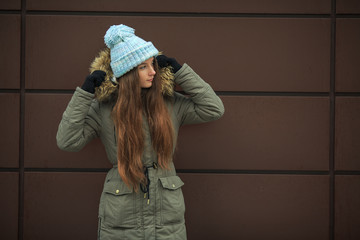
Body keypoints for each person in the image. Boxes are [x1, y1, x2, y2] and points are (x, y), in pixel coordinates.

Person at [56, 24, 224, 240]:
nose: (153, 71)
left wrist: (181, 71)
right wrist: (85, 94)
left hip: (166, 217)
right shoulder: (104, 108)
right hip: (121, 215)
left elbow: (214, 109)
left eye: (153, 64)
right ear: (127, 71)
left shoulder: (170, 104)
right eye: (143, 66)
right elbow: (67, 141)